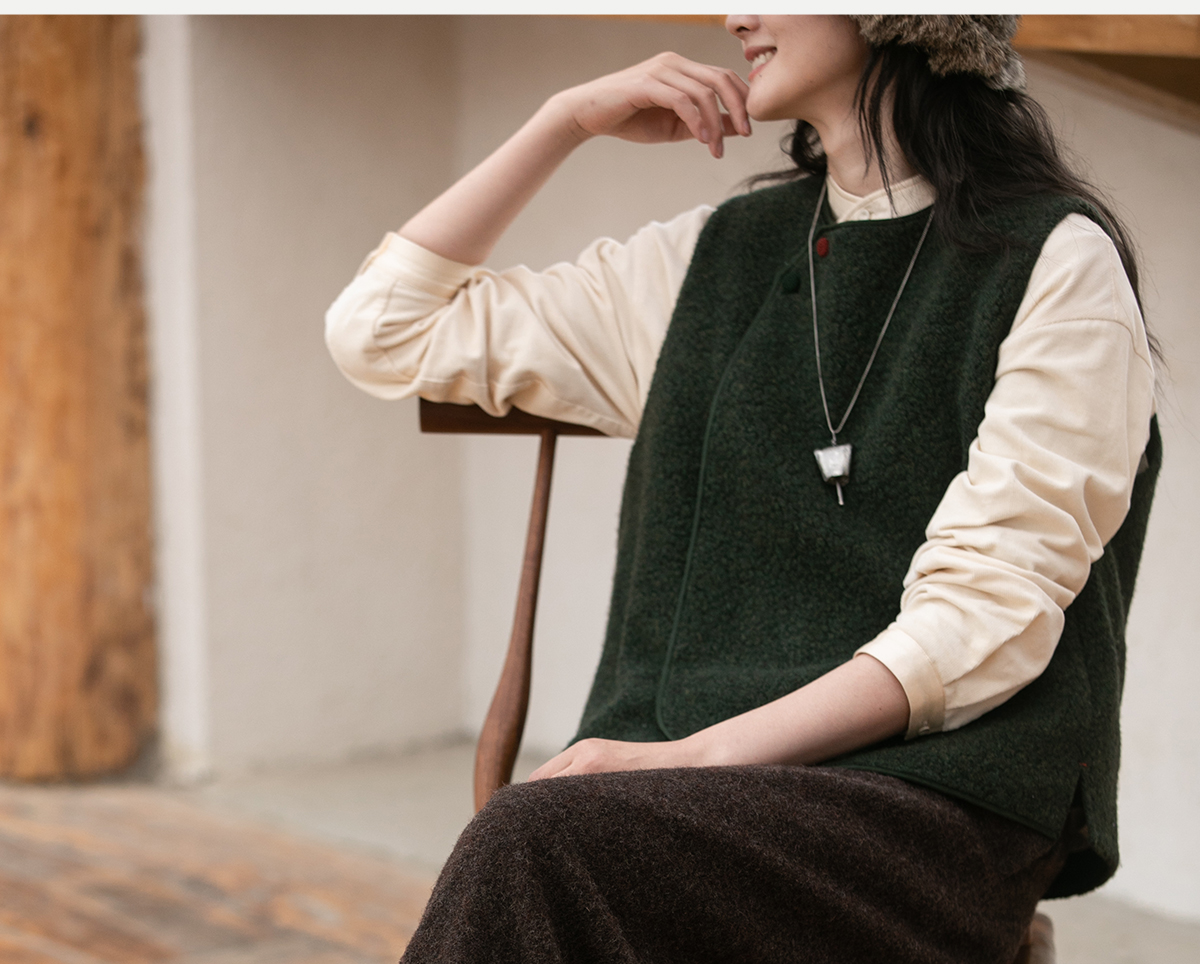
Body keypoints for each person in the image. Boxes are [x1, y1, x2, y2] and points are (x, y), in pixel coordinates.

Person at [326, 15, 1158, 964]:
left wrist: (693, 759)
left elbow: (982, 620)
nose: (735, 15)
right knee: (545, 850)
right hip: (690, 796)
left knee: (535, 842)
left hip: (929, 799)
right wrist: (564, 121)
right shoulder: (718, 256)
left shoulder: (1055, 261)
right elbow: (381, 330)